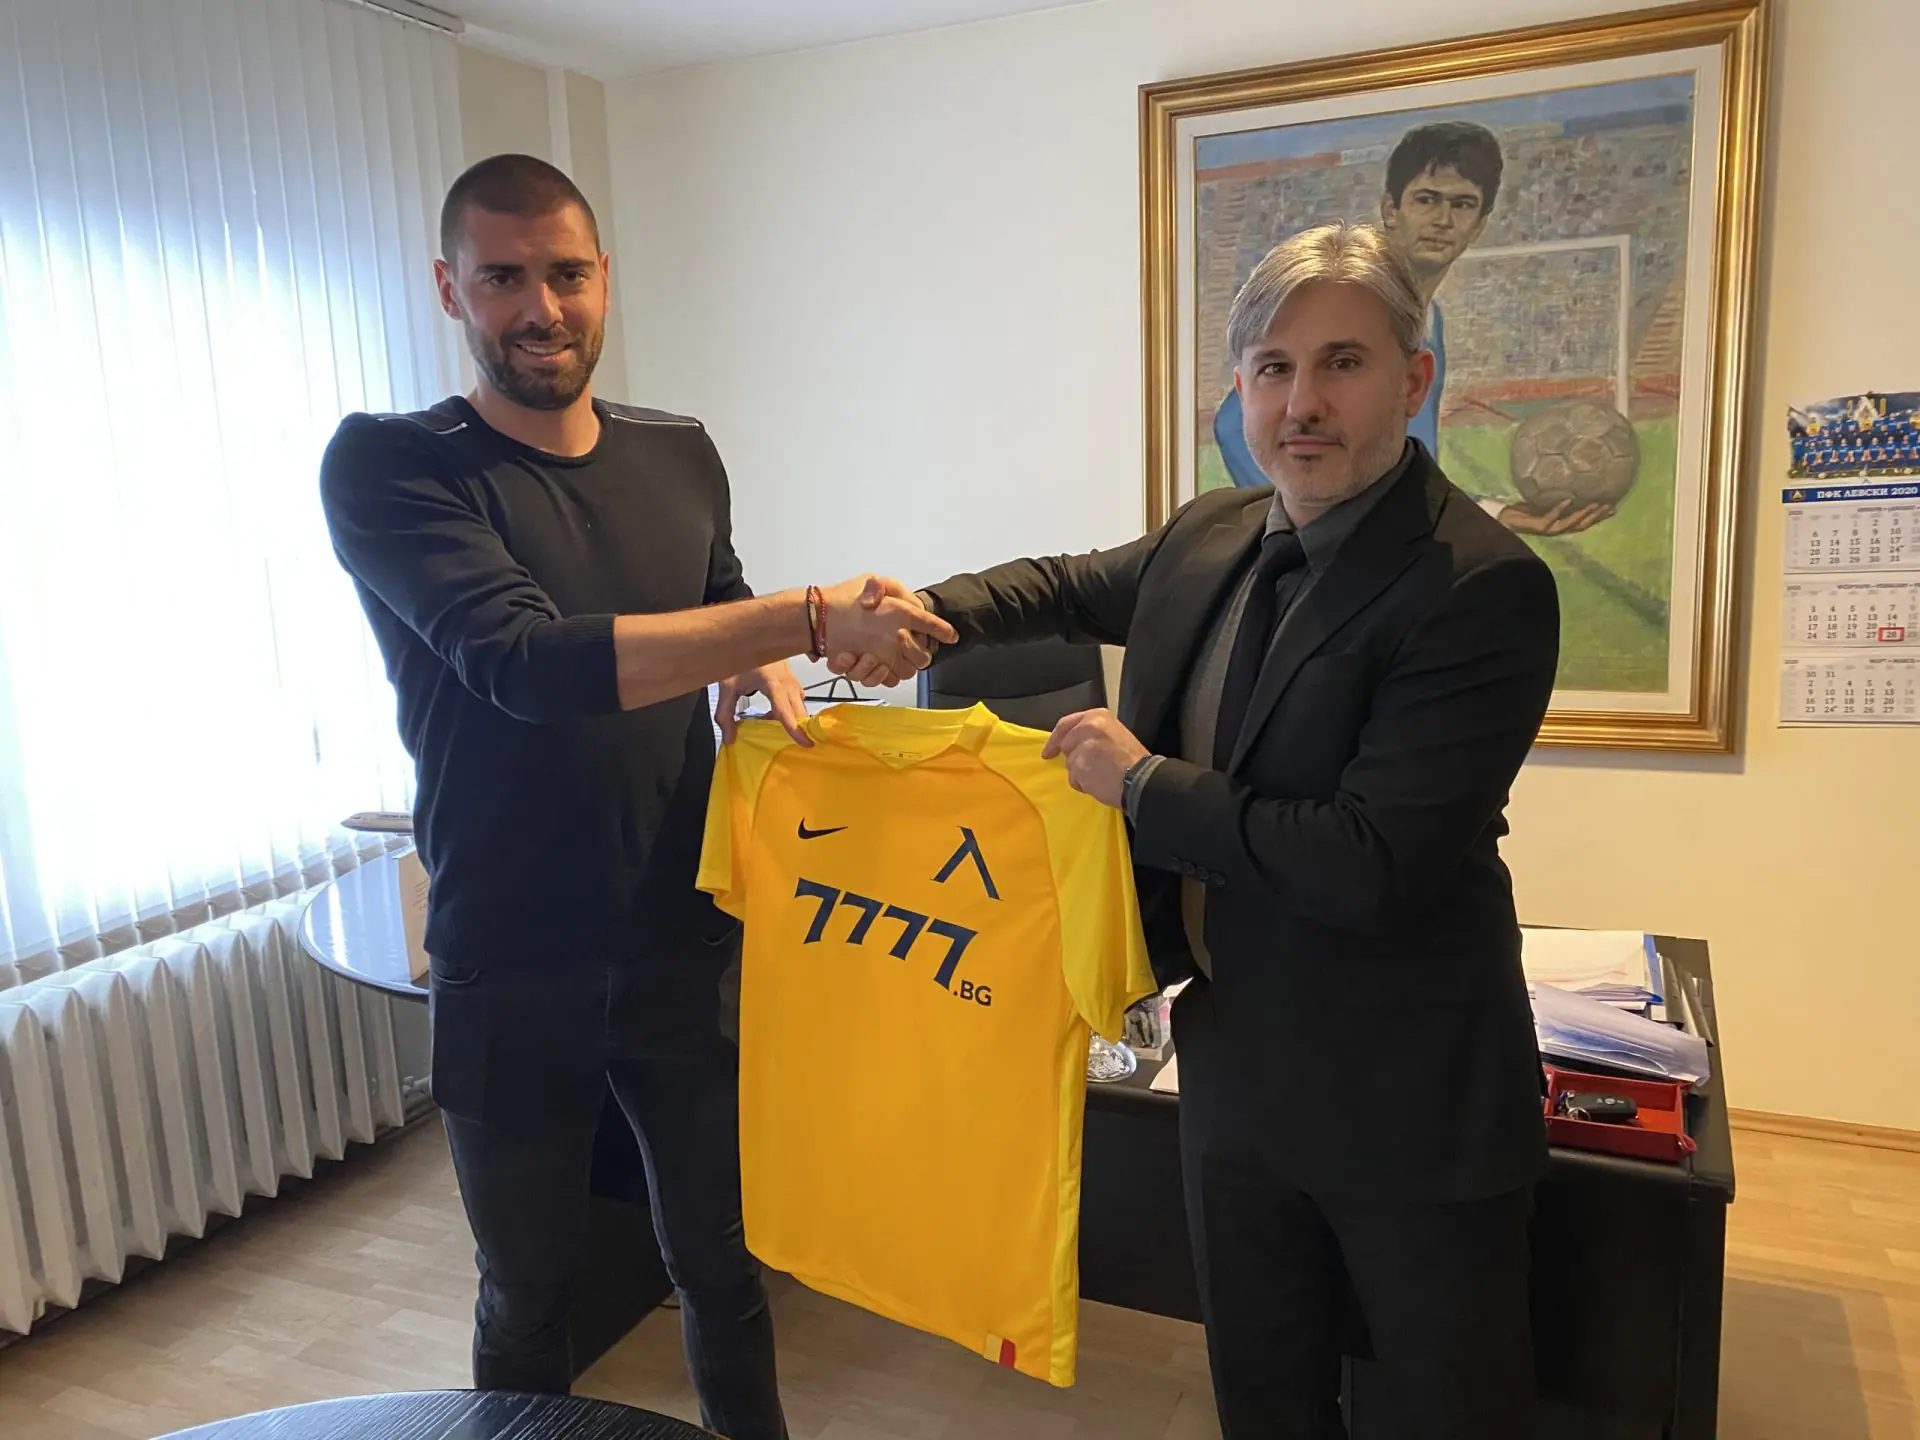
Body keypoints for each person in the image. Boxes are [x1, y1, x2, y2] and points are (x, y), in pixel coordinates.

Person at [844, 221, 1558, 1437]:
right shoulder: (1211, 535)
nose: (1303, 403)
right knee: (1263, 1398)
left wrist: (1143, 787)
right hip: (1230, 1068)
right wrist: (919, 613)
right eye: (1273, 367)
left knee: (1448, 1411)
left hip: (1409, 1096)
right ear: (1240, 388)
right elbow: (1060, 585)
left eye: (1342, 363)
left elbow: (1371, 862)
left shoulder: (1480, 585)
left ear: (1414, 379)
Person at [318, 153, 952, 1439]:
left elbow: (715, 585)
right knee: (527, 1295)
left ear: (604, 277)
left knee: (724, 1264)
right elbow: (526, 663)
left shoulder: (679, 451)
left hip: (683, 934)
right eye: (503, 278)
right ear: (449, 287)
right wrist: (807, 618)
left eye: (565, 273)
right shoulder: (391, 465)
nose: (540, 308)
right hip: (507, 956)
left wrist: (755, 650)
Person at [1213, 121, 1612, 539]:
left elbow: (1401, 470)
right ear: (1391, 210)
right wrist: (1310, 521)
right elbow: (1231, 425)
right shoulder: (1347, 310)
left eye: (1462, 204)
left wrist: (1496, 513)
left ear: (1479, 224)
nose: (1443, 219)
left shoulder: (1428, 322)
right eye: (1427, 199)